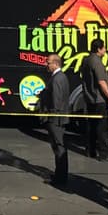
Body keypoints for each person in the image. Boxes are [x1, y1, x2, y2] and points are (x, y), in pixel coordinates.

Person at [80, 39, 108, 159]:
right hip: (99, 99)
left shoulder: (86, 60)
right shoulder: (97, 62)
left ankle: (91, 150)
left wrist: (107, 81)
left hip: (89, 98)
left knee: (91, 126)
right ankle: (104, 154)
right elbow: (101, 82)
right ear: (99, 49)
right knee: (102, 128)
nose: (105, 50)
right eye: (104, 47)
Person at [39, 53, 70, 187]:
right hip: (57, 118)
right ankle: (59, 174)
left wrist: (49, 116)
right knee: (58, 147)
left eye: (48, 62)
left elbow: (56, 101)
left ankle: (60, 178)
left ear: (56, 64)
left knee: (59, 148)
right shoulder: (58, 77)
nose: (46, 64)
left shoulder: (57, 78)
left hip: (55, 119)